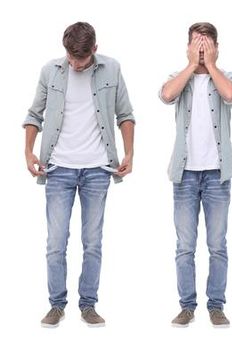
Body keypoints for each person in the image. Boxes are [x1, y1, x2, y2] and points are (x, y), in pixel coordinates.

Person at [27, 22, 137, 328]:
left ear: (95, 51)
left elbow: (125, 114)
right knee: (55, 243)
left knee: (92, 241)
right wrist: (28, 152)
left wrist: (128, 153)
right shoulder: (50, 71)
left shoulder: (112, 70)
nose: (75, 63)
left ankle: (88, 304)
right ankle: (56, 305)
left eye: (82, 59)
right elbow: (34, 114)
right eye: (71, 57)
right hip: (58, 168)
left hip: (97, 170)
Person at [158, 22, 232, 328]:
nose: (202, 48)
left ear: (217, 47)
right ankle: (187, 306)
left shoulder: (229, 77)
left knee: (217, 244)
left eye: (207, 43)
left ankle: (216, 305)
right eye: (196, 42)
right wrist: (192, 64)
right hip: (185, 174)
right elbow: (166, 95)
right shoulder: (178, 79)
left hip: (218, 174)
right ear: (188, 46)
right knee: (185, 246)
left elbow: (231, 95)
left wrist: (211, 64)